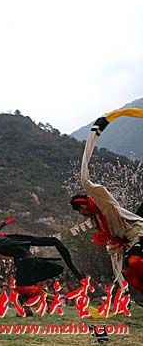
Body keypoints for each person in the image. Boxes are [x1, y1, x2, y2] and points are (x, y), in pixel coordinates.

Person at [71, 109, 143, 293]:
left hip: (138, 233)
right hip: (129, 241)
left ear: (85, 203)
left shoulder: (103, 204)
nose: (82, 213)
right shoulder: (99, 223)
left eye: (81, 209)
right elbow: (113, 251)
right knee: (132, 271)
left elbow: (85, 181)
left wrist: (95, 132)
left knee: (136, 262)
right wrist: (122, 285)